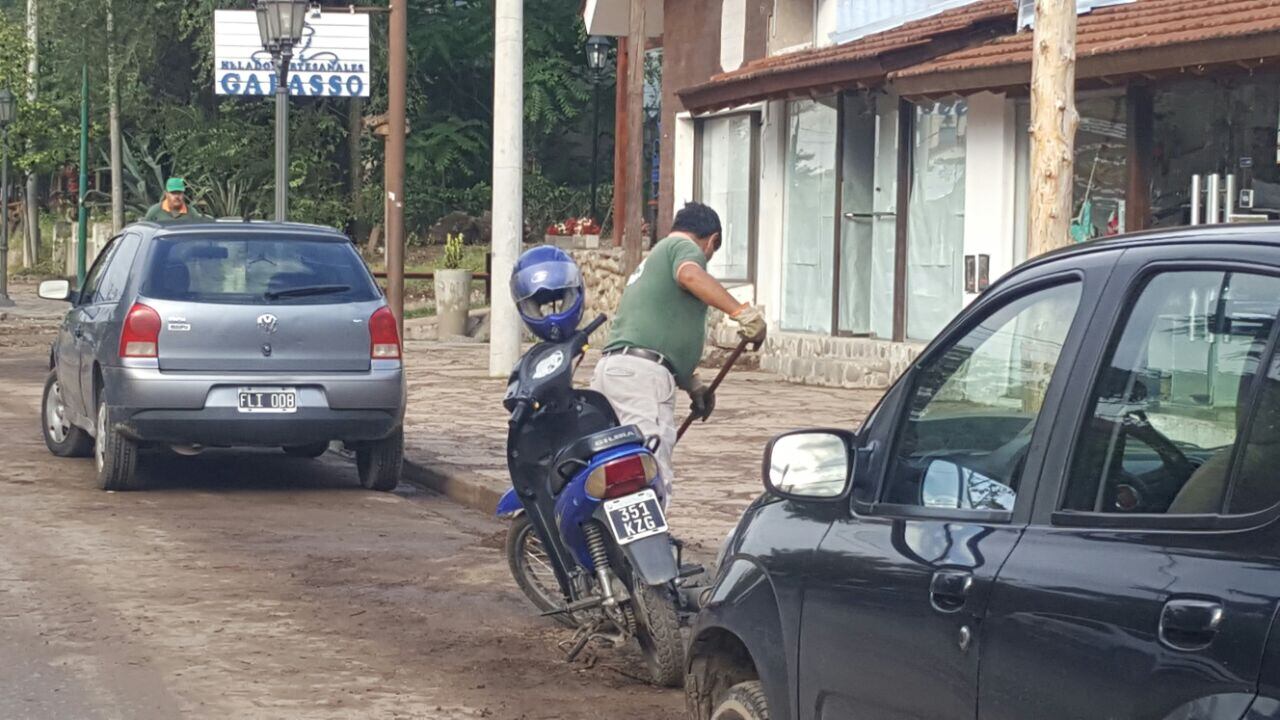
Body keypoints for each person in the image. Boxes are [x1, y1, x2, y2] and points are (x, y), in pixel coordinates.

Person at [591, 201, 767, 505]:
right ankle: (646, 550)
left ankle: (606, 544)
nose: (705, 259)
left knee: (611, 467)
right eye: (710, 253)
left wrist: (692, 383)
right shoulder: (684, 249)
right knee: (650, 471)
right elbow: (690, 275)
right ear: (712, 241)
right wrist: (741, 312)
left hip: (615, 370)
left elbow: (659, 333)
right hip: (642, 380)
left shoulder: (656, 257)